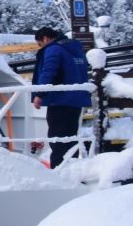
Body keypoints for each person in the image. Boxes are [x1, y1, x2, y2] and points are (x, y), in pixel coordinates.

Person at [31, 27, 92, 167]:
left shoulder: (53, 49)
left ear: (45, 38)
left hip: (59, 99)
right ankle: (73, 166)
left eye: (40, 44)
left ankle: (58, 169)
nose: (40, 47)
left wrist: (39, 93)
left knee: (57, 136)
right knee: (71, 135)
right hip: (77, 99)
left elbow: (48, 71)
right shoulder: (75, 49)